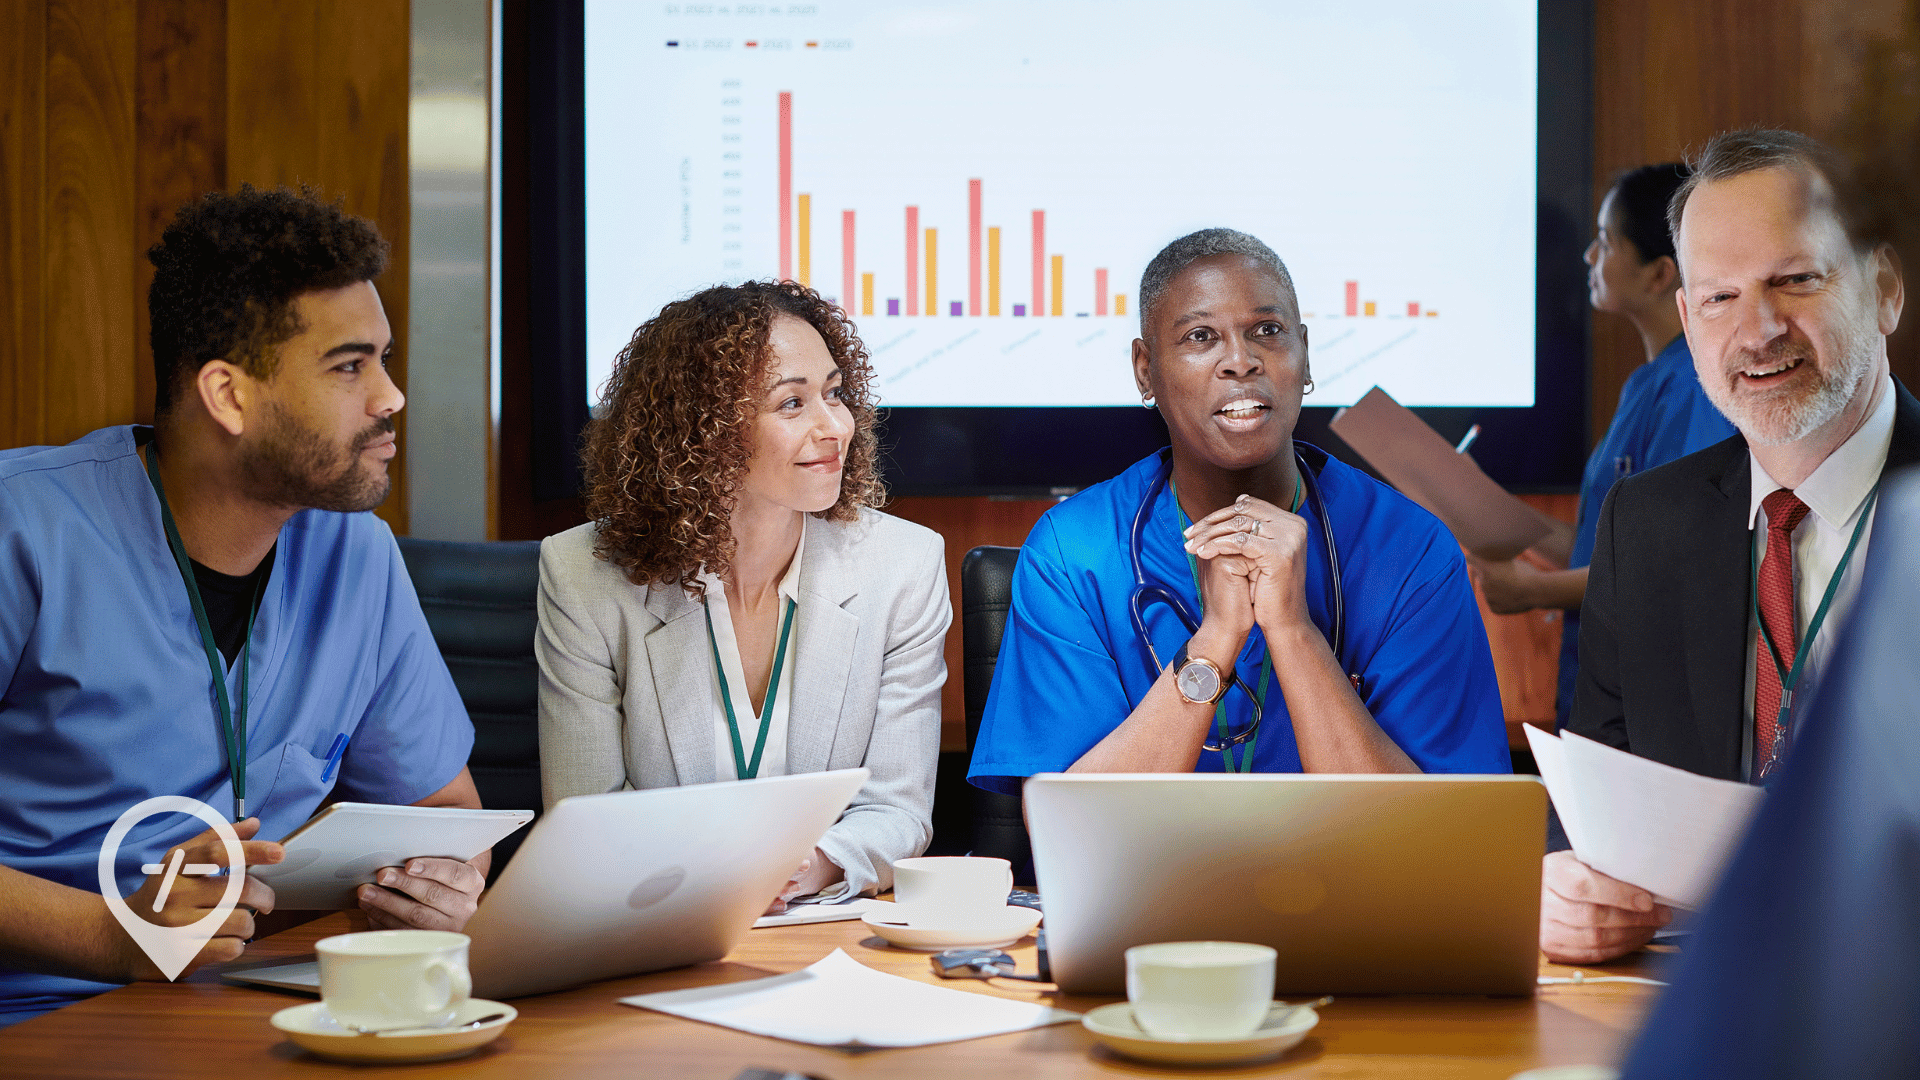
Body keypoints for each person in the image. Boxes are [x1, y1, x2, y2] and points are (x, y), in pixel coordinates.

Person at [0, 186, 488, 1027]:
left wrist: (436, 886)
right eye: (350, 366)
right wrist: (117, 937)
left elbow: (444, 813)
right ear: (227, 394)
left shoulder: (356, 555)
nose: (390, 396)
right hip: (39, 1016)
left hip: (260, 1007)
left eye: (386, 359)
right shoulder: (24, 527)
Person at [1545, 128, 1913, 964]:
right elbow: (1602, 819)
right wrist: (1573, 894)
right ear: (1687, 317)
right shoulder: (1644, 525)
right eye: (1719, 298)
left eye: (1796, 280)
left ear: (1884, 288)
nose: (1759, 329)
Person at [967, 229, 1510, 790]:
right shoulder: (1072, 551)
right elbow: (1068, 831)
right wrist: (1218, 637)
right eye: (1200, 336)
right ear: (1145, 370)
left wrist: (1295, 631)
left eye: (1267, 332)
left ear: (1304, 355)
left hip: (1350, 877)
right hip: (1149, 879)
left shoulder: (1411, 548)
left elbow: (1433, 833)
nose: (1241, 361)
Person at [536, 281, 948, 909]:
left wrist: (807, 866)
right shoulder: (582, 574)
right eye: (792, 404)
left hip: (816, 926)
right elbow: (584, 816)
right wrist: (718, 877)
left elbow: (898, 810)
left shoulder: (904, 566)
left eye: (835, 395)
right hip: (651, 924)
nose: (834, 425)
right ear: (702, 432)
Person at [1467, 164, 1735, 730]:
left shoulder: (1693, 387)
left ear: (1660, 274)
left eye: (1607, 241)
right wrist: (1481, 507)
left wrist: (1533, 591)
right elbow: (1610, 546)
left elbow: (1669, 569)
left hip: (1654, 705)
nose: (1590, 257)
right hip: (1605, 690)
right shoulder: (1649, 382)